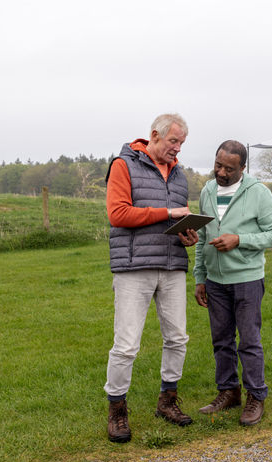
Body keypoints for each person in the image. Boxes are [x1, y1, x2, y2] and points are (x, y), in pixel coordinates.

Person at [104, 113, 199, 443]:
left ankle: (167, 401)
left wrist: (189, 235)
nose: (178, 149)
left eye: (182, 144)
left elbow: (180, 219)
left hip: (172, 265)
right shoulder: (123, 165)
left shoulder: (179, 175)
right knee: (127, 345)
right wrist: (170, 213)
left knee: (178, 339)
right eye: (174, 142)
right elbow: (118, 214)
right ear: (154, 136)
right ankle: (117, 410)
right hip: (134, 268)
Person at [193, 140, 272, 426]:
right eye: (218, 165)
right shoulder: (207, 190)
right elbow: (203, 237)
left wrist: (240, 240)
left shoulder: (258, 193)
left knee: (249, 341)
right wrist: (200, 277)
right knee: (221, 341)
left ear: (242, 168)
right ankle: (228, 392)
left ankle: (256, 395)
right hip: (215, 282)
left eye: (228, 169)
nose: (221, 172)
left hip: (247, 280)